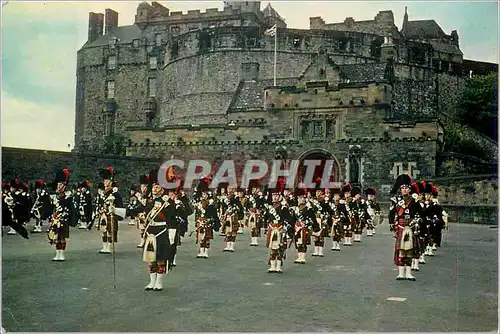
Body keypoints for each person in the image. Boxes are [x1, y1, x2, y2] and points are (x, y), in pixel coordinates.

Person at [141, 168, 176, 291]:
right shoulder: (149, 202)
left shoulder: (167, 202)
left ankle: (159, 282)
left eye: (157, 187)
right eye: (154, 187)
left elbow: (172, 220)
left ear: (162, 190)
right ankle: (151, 282)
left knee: (161, 259)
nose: (155, 189)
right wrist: (116, 211)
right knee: (151, 259)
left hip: (161, 232)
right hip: (150, 233)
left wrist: (171, 235)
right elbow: (136, 211)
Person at [388, 174, 422, 281]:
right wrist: (392, 224)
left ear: (409, 188)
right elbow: (391, 213)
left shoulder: (414, 200)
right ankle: (401, 273)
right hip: (401, 227)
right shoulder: (395, 200)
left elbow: (420, 213)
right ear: (400, 189)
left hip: (410, 228)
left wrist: (417, 223)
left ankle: (408, 273)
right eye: (402, 188)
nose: (404, 189)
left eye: (406, 188)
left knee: (410, 251)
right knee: (401, 251)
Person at [47, 169, 77, 261]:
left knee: (62, 238)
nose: (59, 186)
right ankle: (57, 254)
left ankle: (62, 254)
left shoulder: (68, 196)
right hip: (55, 219)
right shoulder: (54, 196)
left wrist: (70, 219)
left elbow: (71, 209)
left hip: (63, 219)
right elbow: (52, 208)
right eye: (58, 184)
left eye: (61, 185)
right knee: (55, 237)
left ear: (64, 186)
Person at [97, 167, 124, 254]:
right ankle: (104, 247)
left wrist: (115, 211)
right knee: (103, 231)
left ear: (111, 181)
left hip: (111, 214)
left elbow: (119, 204)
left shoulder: (114, 192)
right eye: (104, 181)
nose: (105, 182)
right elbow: (100, 203)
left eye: (107, 181)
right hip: (103, 214)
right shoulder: (102, 192)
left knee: (110, 231)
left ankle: (109, 247)